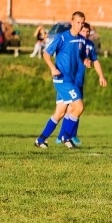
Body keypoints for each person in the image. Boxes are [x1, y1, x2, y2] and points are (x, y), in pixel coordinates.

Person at [34, 11, 87, 150]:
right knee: (79, 107)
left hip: (72, 80)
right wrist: (52, 68)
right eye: (78, 23)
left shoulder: (81, 40)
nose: (80, 26)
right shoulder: (62, 37)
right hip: (62, 80)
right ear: (72, 22)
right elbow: (46, 54)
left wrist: (85, 59)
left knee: (60, 113)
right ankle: (66, 136)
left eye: (82, 23)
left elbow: (79, 55)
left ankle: (40, 140)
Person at [57, 22, 106, 146]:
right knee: (71, 108)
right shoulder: (74, 42)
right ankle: (65, 136)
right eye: (83, 31)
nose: (86, 33)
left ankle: (68, 135)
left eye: (87, 32)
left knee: (75, 108)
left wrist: (101, 75)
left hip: (79, 80)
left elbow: (94, 60)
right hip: (68, 80)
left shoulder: (89, 45)